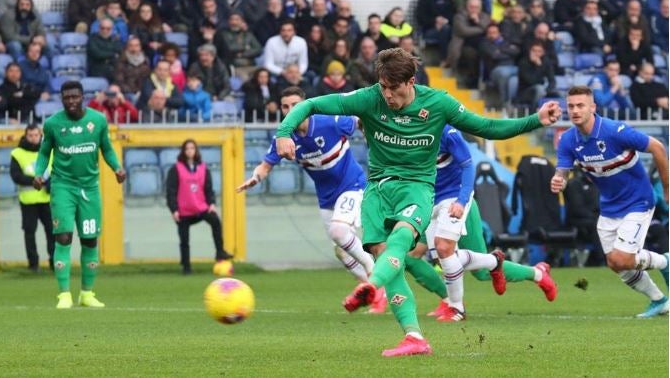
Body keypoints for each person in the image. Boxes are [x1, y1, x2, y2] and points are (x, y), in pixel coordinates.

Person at [274, 48, 561, 356]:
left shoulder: (438, 104)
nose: (387, 96)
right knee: (388, 254)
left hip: (418, 188)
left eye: (393, 89)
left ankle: (375, 285)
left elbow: (488, 128)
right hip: (377, 189)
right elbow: (312, 104)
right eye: (383, 87)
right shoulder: (369, 98)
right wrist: (284, 132)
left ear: (410, 82)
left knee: (403, 238)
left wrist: (535, 120)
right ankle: (414, 337)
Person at [237, 86, 385, 313]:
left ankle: (374, 274)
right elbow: (266, 165)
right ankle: (372, 291)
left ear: (306, 105)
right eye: (285, 106)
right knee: (341, 250)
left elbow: (360, 119)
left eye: (295, 105)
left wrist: (374, 138)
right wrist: (255, 178)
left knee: (339, 231)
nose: (290, 110)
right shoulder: (285, 137)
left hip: (353, 186)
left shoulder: (330, 121)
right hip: (326, 197)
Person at [409, 125, 557, 322]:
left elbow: (467, 165)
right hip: (428, 204)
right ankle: (449, 300)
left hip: (456, 203)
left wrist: (461, 201)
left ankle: (536, 273)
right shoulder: (402, 131)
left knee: (478, 272)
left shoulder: (445, 131)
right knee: (423, 257)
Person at [551, 85, 669, 318]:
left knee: (621, 258)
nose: (575, 110)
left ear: (592, 107)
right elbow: (561, 173)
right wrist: (558, 180)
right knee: (616, 264)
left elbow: (657, 147)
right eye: (571, 106)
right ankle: (659, 300)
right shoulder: (567, 140)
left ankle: (665, 261)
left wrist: (667, 187)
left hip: (638, 201)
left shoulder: (615, 131)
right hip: (609, 207)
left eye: (580, 105)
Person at [33, 80, 127, 309]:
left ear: (82, 97)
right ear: (62, 99)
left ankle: (87, 293)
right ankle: (64, 294)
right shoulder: (54, 123)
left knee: (89, 239)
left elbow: (106, 148)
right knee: (63, 237)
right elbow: (44, 153)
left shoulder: (97, 120)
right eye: (67, 98)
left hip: (90, 188)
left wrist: (117, 167)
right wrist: (38, 173)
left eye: (75, 97)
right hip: (63, 186)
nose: (71, 101)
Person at [166, 139, 233, 274]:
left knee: (215, 221)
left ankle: (220, 252)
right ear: (183, 151)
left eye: (192, 148)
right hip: (183, 211)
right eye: (187, 148)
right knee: (184, 239)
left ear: (196, 150)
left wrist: (211, 203)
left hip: (200, 208)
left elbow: (208, 189)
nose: (190, 151)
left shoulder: (203, 168)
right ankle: (186, 266)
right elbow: (171, 191)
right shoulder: (176, 169)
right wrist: (174, 210)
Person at [10, 123, 54, 272]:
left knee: (52, 231)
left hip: (47, 200)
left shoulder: (49, 151)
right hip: (28, 200)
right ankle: (33, 264)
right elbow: (16, 176)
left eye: (36, 135)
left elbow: (57, 170)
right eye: (31, 135)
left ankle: (55, 263)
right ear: (25, 135)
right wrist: (36, 181)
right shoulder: (18, 153)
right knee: (30, 232)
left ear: (40, 135)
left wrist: (49, 183)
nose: (34, 138)